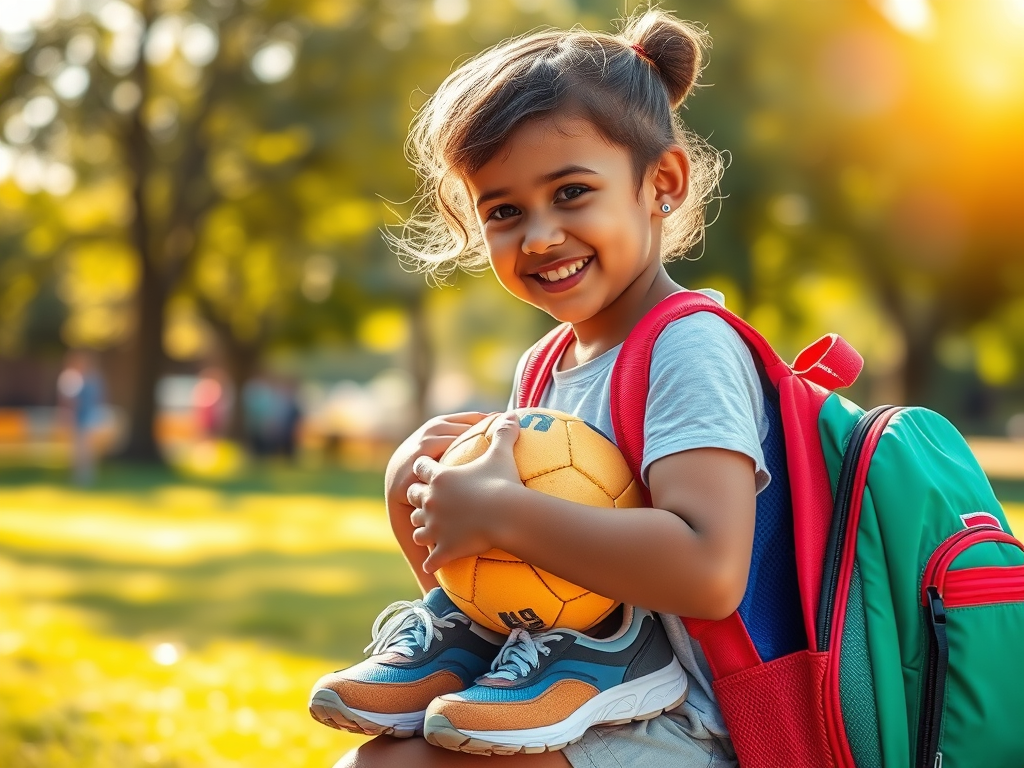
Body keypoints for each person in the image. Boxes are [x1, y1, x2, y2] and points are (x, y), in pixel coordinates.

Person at [313, 9, 771, 768]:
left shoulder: (688, 346)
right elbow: (524, 582)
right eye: (503, 211)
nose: (539, 236)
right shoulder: (544, 365)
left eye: (570, 193)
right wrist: (428, 497)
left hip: (695, 721)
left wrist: (503, 511)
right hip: (569, 689)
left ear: (661, 182)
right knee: (377, 760)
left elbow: (708, 568)